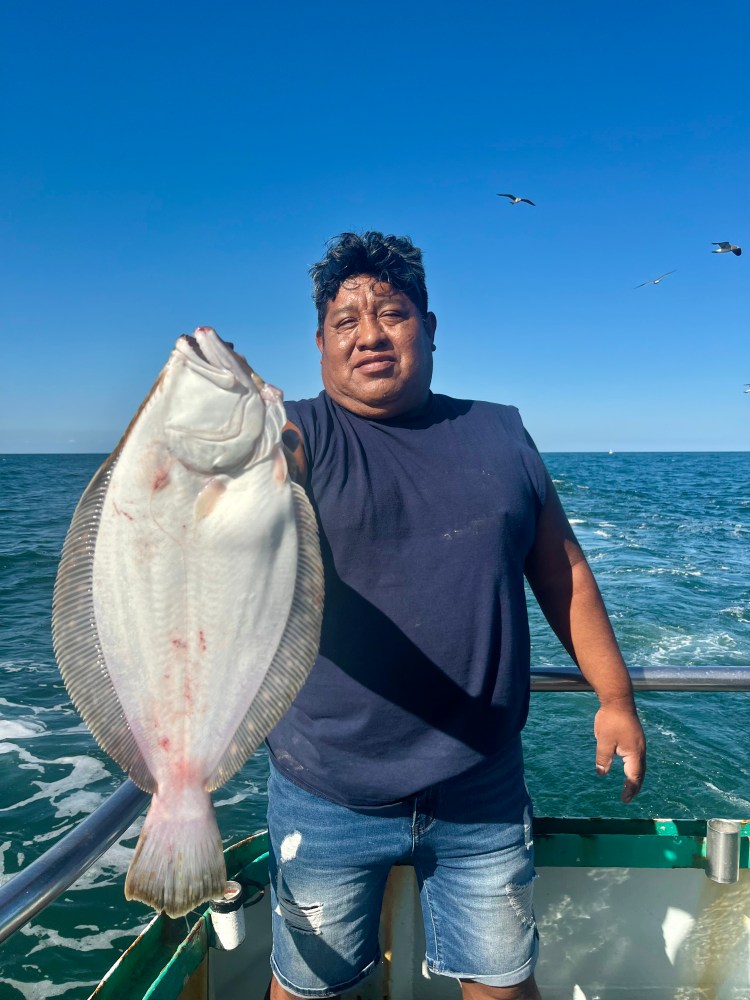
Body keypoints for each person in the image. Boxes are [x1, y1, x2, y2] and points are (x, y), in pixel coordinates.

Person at [264, 231, 646, 1000]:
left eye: (393, 314)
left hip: (481, 781)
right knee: (310, 991)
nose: (370, 334)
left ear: (430, 329)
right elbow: (256, 470)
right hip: (326, 784)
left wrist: (615, 698)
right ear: (319, 345)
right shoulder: (298, 432)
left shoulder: (500, 431)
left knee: (503, 985)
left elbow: (563, 570)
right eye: (346, 322)